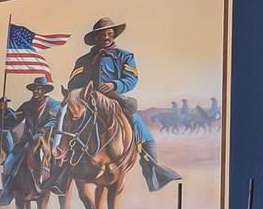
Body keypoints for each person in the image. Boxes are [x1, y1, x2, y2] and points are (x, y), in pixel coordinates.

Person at [65, 18, 179, 191]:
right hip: (88, 101)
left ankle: (152, 168)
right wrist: (87, 80)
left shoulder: (125, 56)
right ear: (96, 37)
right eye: (103, 34)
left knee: (143, 133)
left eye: (110, 33)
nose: (107, 37)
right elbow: (73, 82)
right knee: (65, 125)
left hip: (113, 100)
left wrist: (114, 85)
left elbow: (131, 79)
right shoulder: (83, 60)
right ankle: (60, 172)